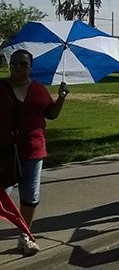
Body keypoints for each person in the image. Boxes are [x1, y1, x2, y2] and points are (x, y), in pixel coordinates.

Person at [0, 49, 69, 255]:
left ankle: (25, 236)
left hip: (33, 149)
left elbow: (51, 114)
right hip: (4, 151)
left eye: (22, 64)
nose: (17, 67)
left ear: (31, 67)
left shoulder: (39, 90)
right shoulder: (1, 88)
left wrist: (62, 97)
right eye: (14, 63)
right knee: (3, 195)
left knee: (30, 195)